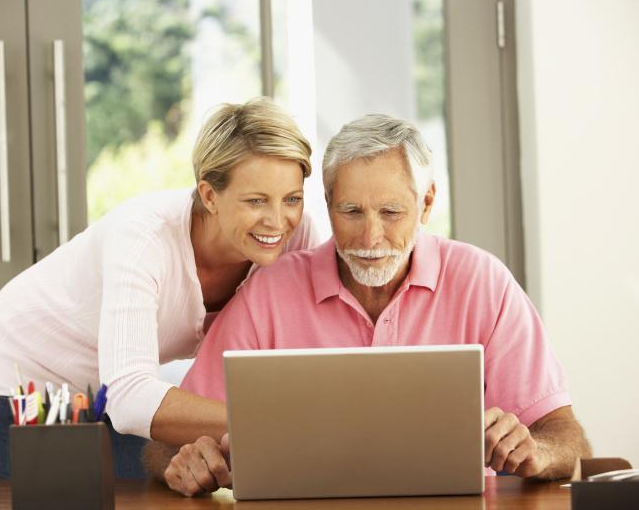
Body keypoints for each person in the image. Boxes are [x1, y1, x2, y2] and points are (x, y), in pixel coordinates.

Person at [144, 113, 592, 496]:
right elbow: (161, 445)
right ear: (327, 205)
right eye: (352, 211)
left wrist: (539, 450)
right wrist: (184, 461)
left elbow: (567, 437)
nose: (370, 238)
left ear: (427, 203)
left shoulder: (483, 282)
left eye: (392, 212)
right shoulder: (269, 293)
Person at [0, 97, 321, 479]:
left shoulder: (294, 238)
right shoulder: (144, 239)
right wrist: (274, 425)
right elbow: (130, 396)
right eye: (256, 201)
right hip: (24, 383)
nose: (278, 220)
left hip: (108, 388)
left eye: (292, 199)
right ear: (210, 195)